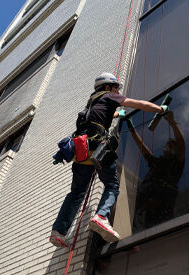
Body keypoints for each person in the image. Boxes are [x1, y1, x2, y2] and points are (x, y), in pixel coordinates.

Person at [50, 72, 168, 247]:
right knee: (112, 185)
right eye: (115, 88)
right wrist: (160, 109)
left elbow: (100, 116)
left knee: (76, 193)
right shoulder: (110, 96)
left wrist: (116, 114)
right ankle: (101, 216)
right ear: (108, 87)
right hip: (97, 148)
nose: (116, 91)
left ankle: (58, 232)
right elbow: (139, 104)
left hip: (81, 151)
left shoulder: (90, 103)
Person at [125, 111, 186, 231]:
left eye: (170, 145)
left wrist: (172, 123)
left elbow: (182, 144)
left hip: (164, 206)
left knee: (161, 229)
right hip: (148, 207)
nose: (166, 146)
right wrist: (132, 130)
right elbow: (143, 147)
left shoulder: (176, 163)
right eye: (167, 144)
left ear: (175, 149)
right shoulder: (156, 162)